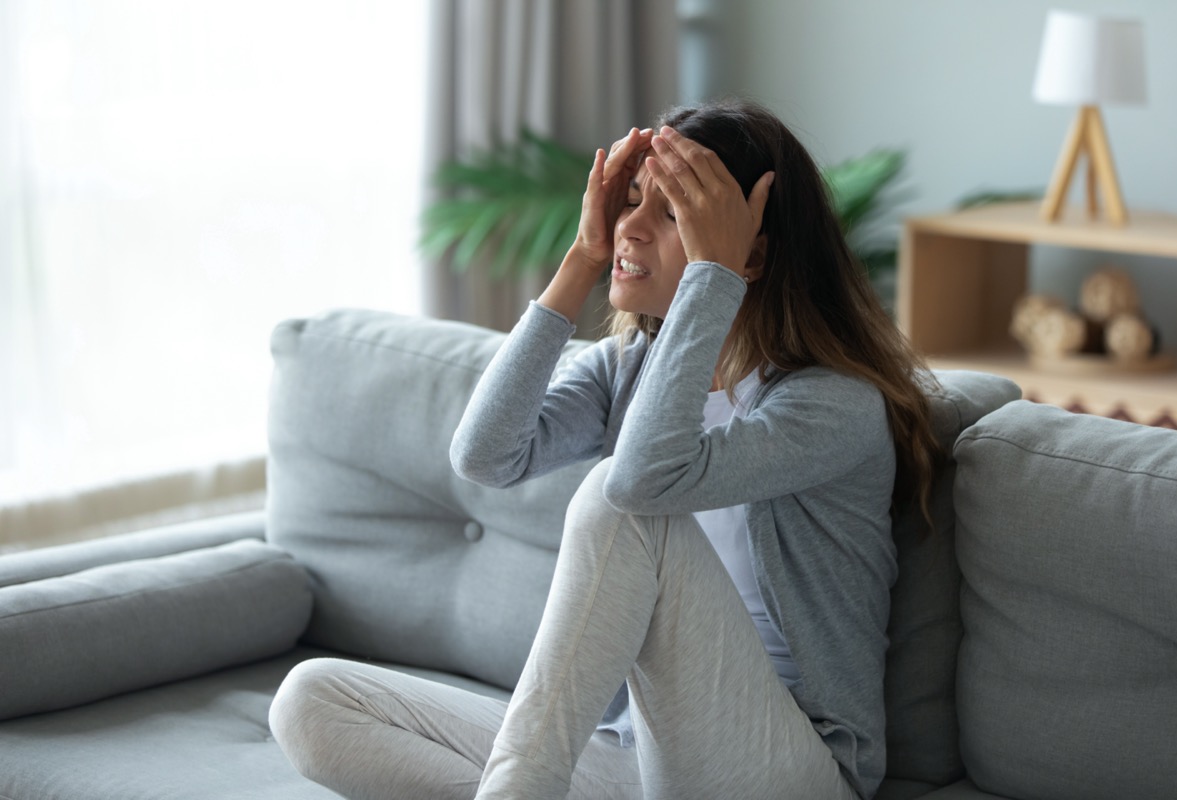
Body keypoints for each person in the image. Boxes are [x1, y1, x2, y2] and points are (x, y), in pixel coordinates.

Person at [269, 98, 942, 800]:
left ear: (754, 254)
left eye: (672, 212)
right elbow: (485, 454)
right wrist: (584, 254)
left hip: (789, 767)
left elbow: (644, 481)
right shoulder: (627, 368)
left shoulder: (832, 405)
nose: (632, 228)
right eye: (629, 202)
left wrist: (714, 276)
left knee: (614, 493)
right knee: (313, 701)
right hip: (636, 755)